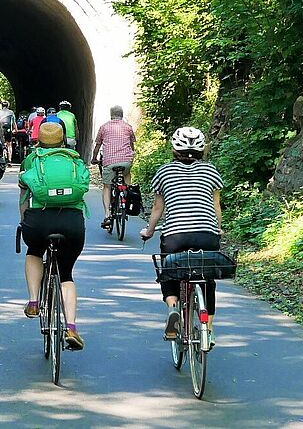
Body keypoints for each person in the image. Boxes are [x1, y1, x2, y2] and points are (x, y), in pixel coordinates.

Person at [140, 127, 224, 347]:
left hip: (175, 235)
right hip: (207, 235)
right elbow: (216, 206)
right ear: (202, 150)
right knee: (207, 279)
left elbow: (158, 209)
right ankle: (209, 330)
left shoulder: (165, 172)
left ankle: (173, 309)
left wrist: (148, 231)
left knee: (169, 271)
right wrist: (218, 229)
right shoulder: (211, 171)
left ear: (174, 149)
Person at [19, 122, 90, 350]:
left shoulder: (32, 160)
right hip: (72, 222)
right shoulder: (74, 159)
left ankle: (33, 301)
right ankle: (71, 327)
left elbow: (23, 195)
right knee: (66, 273)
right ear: (63, 140)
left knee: (34, 251)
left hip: (39, 220)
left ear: (38, 139)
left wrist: (24, 219)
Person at [91, 105, 136, 229]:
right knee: (127, 174)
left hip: (110, 161)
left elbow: (97, 146)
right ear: (122, 114)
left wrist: (94, 158)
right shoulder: (128, 127)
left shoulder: (104, 127)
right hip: (126, 161)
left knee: (107, 186)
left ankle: (107, 214)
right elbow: (132, 146)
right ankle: (125, 194)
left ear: (111, 114)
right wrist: (131, 156)